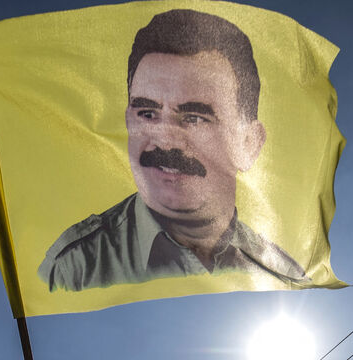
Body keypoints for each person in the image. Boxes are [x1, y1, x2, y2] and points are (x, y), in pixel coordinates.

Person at [38, 8, 310, 292]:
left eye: (194, 118)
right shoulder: (75, 267)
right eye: (147, 114)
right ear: (128, 120)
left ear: (248, 144)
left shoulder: (282, 277)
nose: (165, 142)